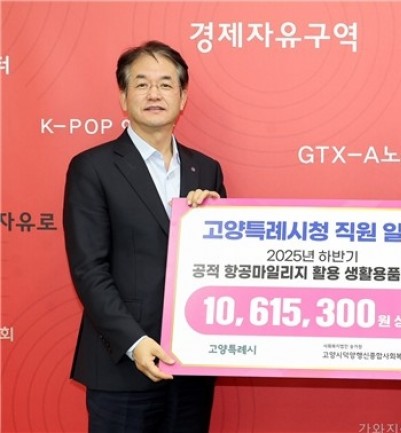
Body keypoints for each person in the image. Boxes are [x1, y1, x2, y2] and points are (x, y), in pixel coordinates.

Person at [63, 40, 226, 433]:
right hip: (122, 365)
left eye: (166, 84)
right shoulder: (92, 167)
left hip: (191, 364)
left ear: (182, 97)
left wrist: (221, 222)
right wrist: (135, 342)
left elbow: (222, 265)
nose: (155, 93)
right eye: (142, 84)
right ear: (123, 97)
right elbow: (89, 270)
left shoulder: (206, 169)